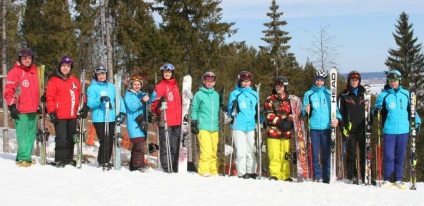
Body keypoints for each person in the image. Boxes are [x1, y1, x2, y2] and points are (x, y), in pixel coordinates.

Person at [373, 70, 421, 189]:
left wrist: (418, 122)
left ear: (399, 81)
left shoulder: (406, 94)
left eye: (395, 81)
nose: (393, 83)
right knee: (389, 155)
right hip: (389, 130)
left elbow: (413, 111)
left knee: (400, 155)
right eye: (390, 81)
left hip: (404, 130)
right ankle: (388, 179)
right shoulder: (384, 95)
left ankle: (398, 179)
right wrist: (377, 110)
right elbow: (375, 110)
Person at [46, 56, 89, 167]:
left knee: (71, 137)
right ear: (60, 67)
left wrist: (84, 106)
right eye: (63, 66)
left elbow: (80, 95)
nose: (65, 68)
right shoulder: (54, 80)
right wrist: (51, 111)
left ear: (71, 68)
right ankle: (60, 159)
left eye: (68, 66)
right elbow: (50, 97)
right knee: (61, 138)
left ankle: (69, 158)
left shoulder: (74, 81)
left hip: (73, 115)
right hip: (59, 115)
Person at [302, 70, 341, 183]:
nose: (319, 82)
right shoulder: (309, 94)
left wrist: (337, 119)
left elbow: (336, 111)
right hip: (314, 128)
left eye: (321, 80)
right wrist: (305, 109)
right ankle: (317, 175)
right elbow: (303, 111)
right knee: (314, 153)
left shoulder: (329, 94)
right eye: (317, 80)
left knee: (326, 153)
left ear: (325, 81)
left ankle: (327, 175)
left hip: (327, 128)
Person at [3, 48, 40, 167]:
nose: (27, 60)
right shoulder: (15, 72)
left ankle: (24, 156)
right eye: (24, 58)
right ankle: (24, 158)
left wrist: (39, 105)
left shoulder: (34, 72)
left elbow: (37, 91)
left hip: (33, 109)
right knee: (23, 134)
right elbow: (9, 90)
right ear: (20, 59)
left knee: (31, 134)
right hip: (20, 109)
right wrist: (12, 106)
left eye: (29, 58)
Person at [86, 65, 126, 169]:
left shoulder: (112, 87)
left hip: (111, 117)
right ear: (96, 75)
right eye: (99, 74)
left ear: (106, 74)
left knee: (110, 140)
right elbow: (90, 103)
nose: (101, 76)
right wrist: (100, 99)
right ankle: (102, 161)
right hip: (100, 118)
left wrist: (122, 112)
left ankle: (106, 160)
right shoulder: (92, 88)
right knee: (104, 140)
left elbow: (119, 99)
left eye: (103, 74)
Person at [227, 71, 259, 179]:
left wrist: (261, 120)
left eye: (248, 81)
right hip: (238, 125)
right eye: (243, 81)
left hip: (250, 126)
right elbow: (230, 110)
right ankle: (242, 172)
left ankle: (251, 171)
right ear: (240, 81)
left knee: (251, 149)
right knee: (241, 150)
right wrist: (233, 109)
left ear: (250, 82)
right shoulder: (235, 94)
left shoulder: (254, 94)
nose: (246, 83)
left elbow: (257, 110)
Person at [151, 63, 182, 173]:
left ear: (172, 73)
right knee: (165, 144)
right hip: (166, 120)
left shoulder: (175, 86)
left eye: (169, 72)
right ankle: (166, 166)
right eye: (165, 72)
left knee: (175, 144)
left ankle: (174, 165)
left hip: (177, 121)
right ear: (162, 73)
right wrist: (159, 106)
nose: (167, 74)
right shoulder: (159, 87)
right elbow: (153, 105)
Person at [337, 70, 366, 184]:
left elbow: (369, 111)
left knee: (365, 154)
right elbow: (339, 113)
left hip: (363, 129)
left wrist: (370, 125)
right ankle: (352, 176)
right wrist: (343, 127)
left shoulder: (364, 93)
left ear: (359, 81)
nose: (354, 82)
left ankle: (366, 176)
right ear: (349, 81)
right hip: (350, 130)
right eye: (352, 80)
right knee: (352, 154)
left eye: (356, 80)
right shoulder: (343, 95)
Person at [263, 76, 294, 181]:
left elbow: (294, 112)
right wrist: (280, 122)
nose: (278, 88)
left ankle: (285, 175)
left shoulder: (291, 100)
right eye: (276, 86)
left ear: (285, 87)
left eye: (280, 86)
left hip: (286, 133)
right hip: (274, 132)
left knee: (286, 155)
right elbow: (269, 114)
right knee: (274, 154)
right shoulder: (270, 99)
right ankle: (275, 174)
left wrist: (289, 121)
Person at [190, 72, 220, 177]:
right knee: (206, 149)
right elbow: (194, 108)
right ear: (204, 81)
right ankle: (203, 170)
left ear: (214, 82)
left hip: (214, 127)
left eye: (211, 81)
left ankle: (213, 170)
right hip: (203, 126)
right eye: (207, 81)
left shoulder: (216, 95)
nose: (209, 83)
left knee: (213, 150)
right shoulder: (199, 94)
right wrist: (194, 121)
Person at [124, 75, 156, 172]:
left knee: (139, 145)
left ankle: (133, 166)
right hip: (134, 123)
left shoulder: (142, 94)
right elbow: (132, 107)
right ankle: (138, 165)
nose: (137, 86)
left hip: (142, 122)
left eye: (138, 84)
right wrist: (142, 100)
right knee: (139, 145)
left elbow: (151, 99)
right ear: (131, 85)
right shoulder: (128, 95)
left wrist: (152, 91)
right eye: (135, 84)